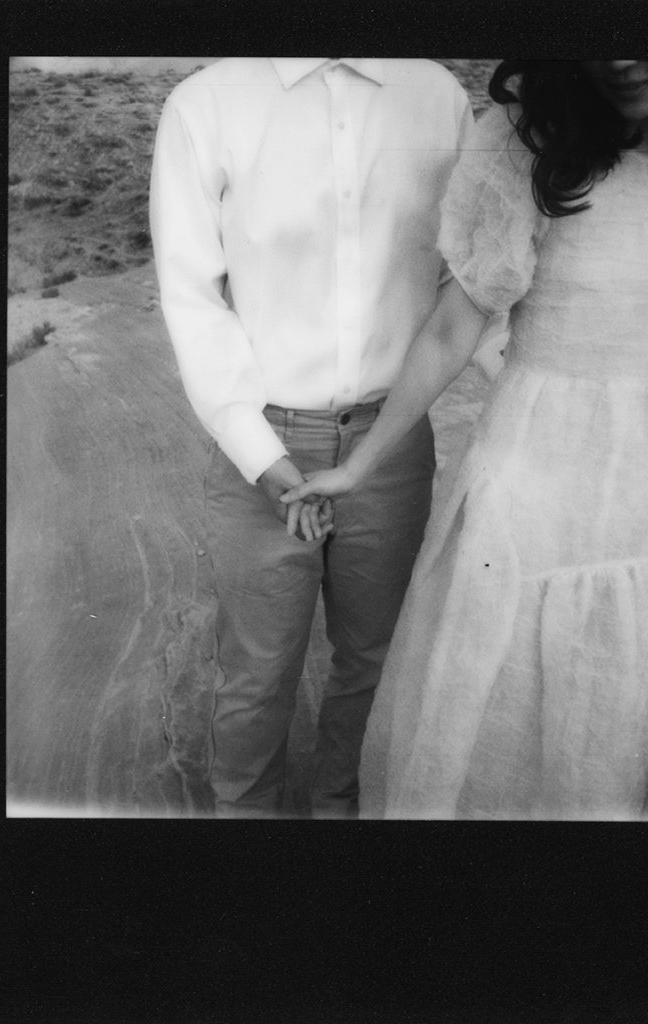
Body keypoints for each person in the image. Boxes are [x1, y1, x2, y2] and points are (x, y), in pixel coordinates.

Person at [282, 61, 648, 820]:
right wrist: (358, 465)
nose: (623, 59)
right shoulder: (527, 144)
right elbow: (451, 327)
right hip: (533, 485)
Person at [149, 58, 473, 817]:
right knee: (257, 672)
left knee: (375, 661)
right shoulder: (207, 103)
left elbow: (469, 275)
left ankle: (343, 814)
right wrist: (264, 460)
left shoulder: (437, 96)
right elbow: (191, 296)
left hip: (390, 441)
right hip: (261, 441)